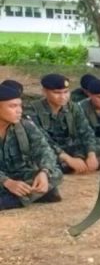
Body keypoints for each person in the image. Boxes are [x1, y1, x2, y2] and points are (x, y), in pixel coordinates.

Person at [0, 80, 63, 210]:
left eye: (20, 106)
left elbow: (45, 150)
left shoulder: (25, 125)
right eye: (12, 106)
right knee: (48, 189)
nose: (19, 111)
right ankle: (31, 195)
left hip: (18, 174)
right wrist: (6, 182)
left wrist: (44, 172)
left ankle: (12, 199)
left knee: (55, 173)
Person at [29, 74, 100, 174]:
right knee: (38, 155)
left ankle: (76, 160)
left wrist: (91, 154)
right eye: (57, 93)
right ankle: (64, 163)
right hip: (47, 148)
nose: (63, 97)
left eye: (66, 92)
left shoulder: (73, 107)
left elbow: (86, 131)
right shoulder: (32, 110)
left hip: (68, 145)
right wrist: (67, 158)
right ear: (44, 92)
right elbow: (41, 139)